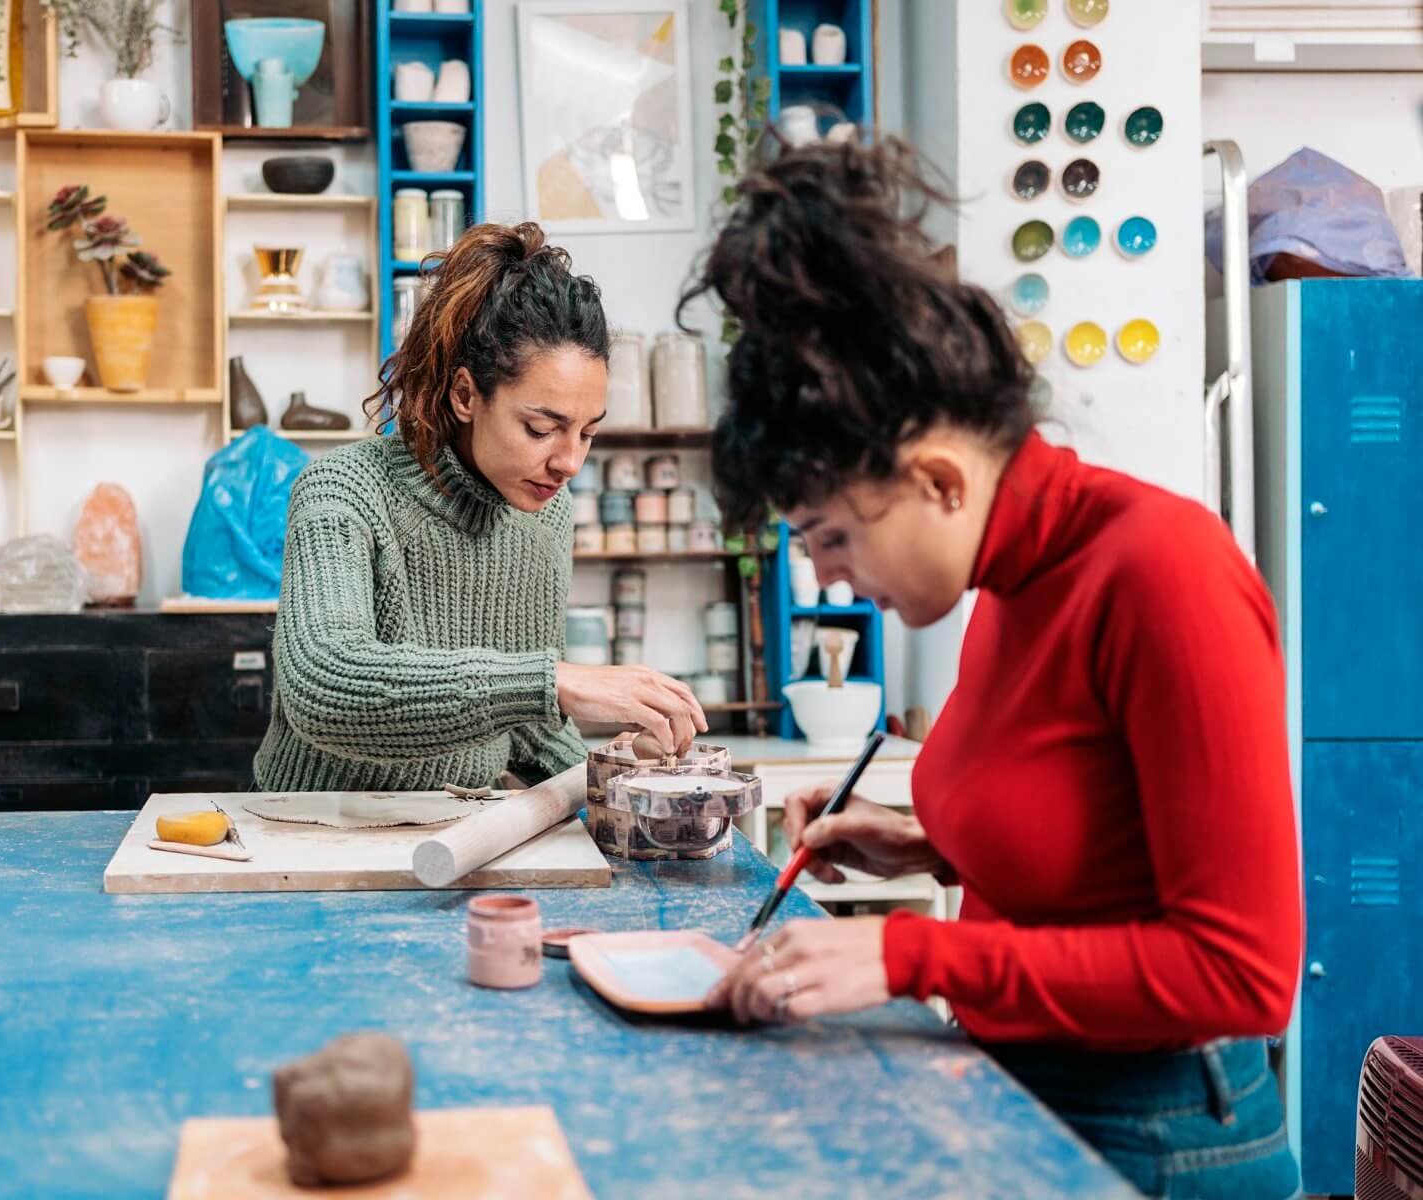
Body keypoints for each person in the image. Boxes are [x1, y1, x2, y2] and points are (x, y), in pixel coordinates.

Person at [689, 141, 1302, 1198]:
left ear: (936, 478)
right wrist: (935, 849)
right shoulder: (1008, 582)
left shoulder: (1163, 572)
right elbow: (1098, 843)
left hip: (1155, 1132)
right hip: (1021, 1082)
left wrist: (911, 959)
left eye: (832, 538)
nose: (832, 579)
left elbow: (1240, 975)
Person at [253, 222, 707, 792]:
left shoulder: (547, 513)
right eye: (543, 428)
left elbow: (528, 729)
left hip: (457, 831)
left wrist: (618, 779)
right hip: (311, 836)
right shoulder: (344, 488)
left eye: (588, 433)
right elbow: (324, 689)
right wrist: (554, 683)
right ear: (465, 395)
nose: (570, 461)